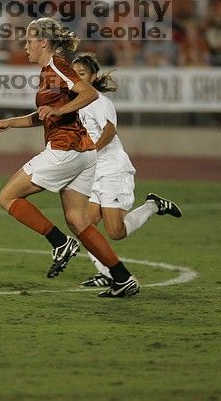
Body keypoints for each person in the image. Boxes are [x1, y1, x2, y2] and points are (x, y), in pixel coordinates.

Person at [0, 17, 139, 298]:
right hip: (83, 153)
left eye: (29, 40)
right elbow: (45, 116)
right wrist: (10, 122)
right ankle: (122, 278)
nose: (26, 45)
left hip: (65, 149)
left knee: (7, 197)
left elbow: (89, 93)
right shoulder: (48, 72)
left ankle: (58, 243)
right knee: (78, 221)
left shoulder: (55, 66)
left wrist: (57, 111)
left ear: (43, 42)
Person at [71, 54, 181, 288]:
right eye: (74, 74)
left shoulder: (99, 102)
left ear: (92, 77)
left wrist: (91, 151)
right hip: (91, 172)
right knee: (85, 225)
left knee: (115, 231)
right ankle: (108, 273)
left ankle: (153, 205)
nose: (76, 78)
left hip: (112, 170)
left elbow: (109, 131)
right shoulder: (74, 103)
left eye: (81, 74)